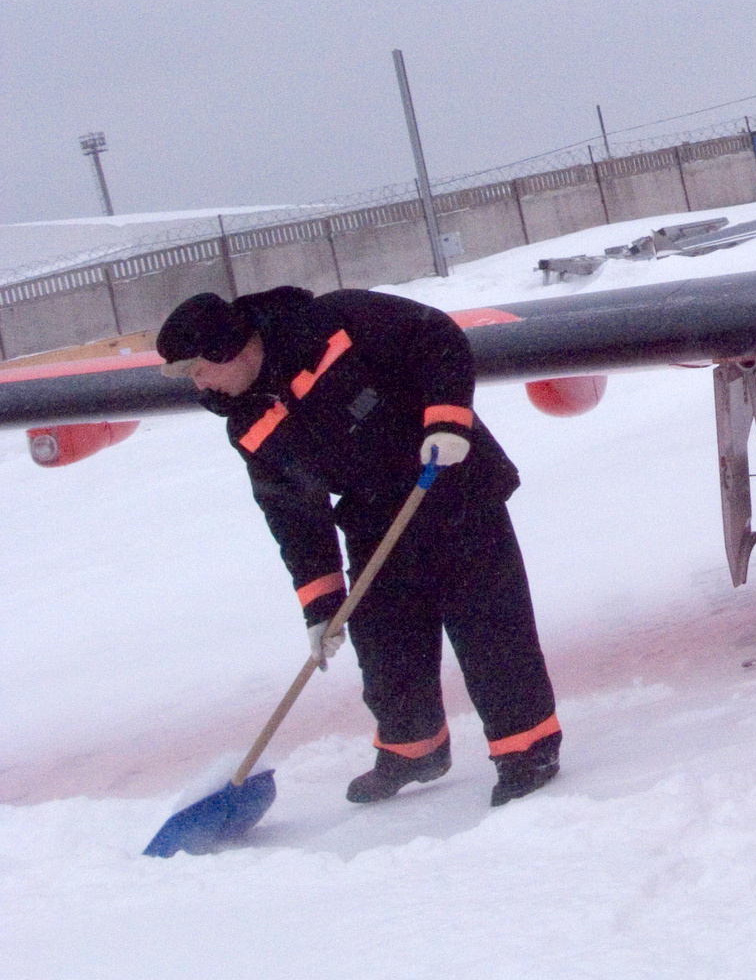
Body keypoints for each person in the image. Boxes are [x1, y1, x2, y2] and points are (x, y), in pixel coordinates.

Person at [156, 285, 563, 805]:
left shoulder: (334, 323)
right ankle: (413, 748)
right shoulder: (248, 422)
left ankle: (528, 750)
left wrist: (447, 419)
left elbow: (438, 339)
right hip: (373, 512)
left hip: (447, 480)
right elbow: (293, 516)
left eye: (198, 370)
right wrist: (321, 607)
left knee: (488, 628)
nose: (199, 384)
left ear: (228, 349)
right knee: (383, 638)